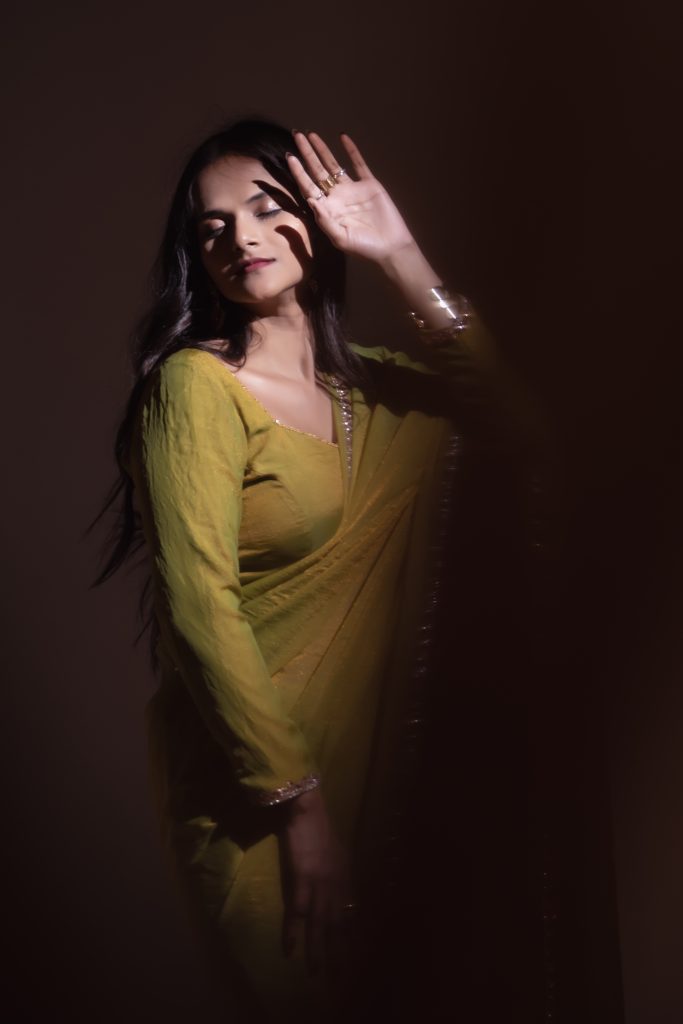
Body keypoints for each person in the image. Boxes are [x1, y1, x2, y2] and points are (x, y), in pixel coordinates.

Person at [89, 117, 529, 1022]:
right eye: (211, 226)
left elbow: (520, 432)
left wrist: (398, 253)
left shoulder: (380, 393)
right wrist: (301, 809)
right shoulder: (195, 389)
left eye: (265, 207)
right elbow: (196, 608)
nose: (239, 237)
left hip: (398, 794)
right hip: (263, 805)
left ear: (316, 221)